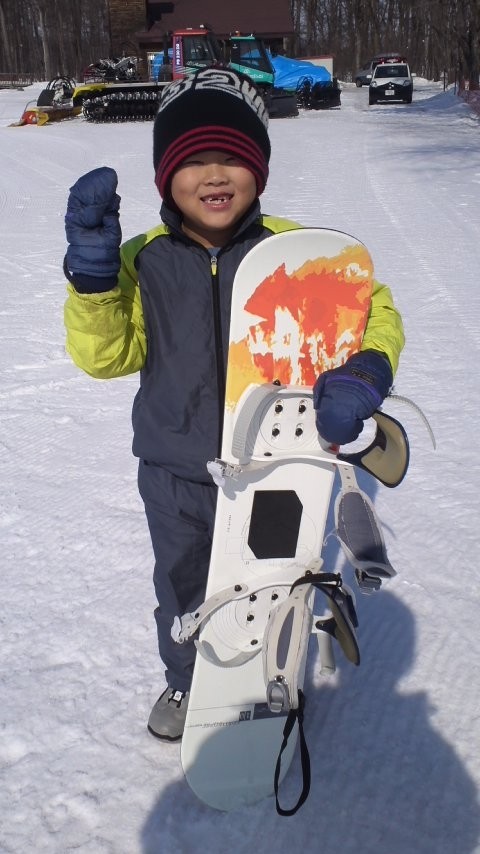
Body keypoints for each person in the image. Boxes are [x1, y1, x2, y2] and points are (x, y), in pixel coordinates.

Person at [63, 68, 405, 742]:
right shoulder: (145, 258)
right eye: (192, 161)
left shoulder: (295, 250)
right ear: (165, 176)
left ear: (259, 169)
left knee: (273, 582)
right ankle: (190, 679)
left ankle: (270, 673)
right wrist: (96, 283)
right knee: (186, 586)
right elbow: (106, 358)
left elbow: (371, 310)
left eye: (232, 158)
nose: (213, 175)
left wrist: (366, 370)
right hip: (175, 469)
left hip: (275, 468)